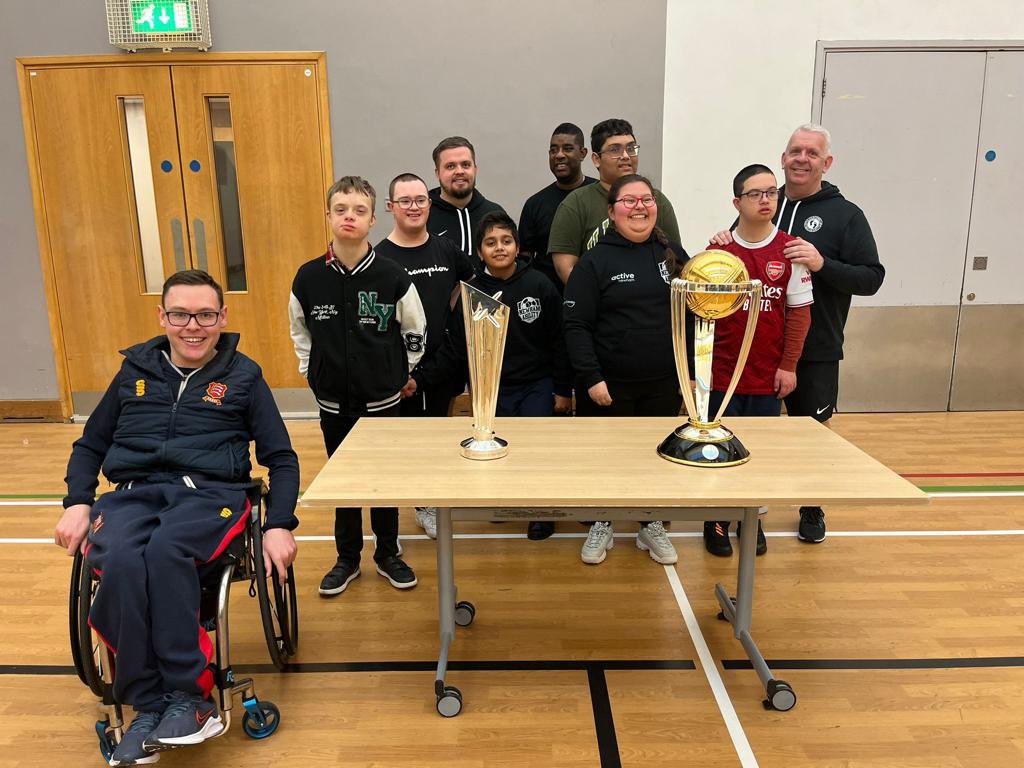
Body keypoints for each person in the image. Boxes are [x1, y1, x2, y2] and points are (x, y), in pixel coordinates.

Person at [54, 269, 299, 766]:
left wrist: (278, 524)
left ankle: (190, 698)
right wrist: (78, 501)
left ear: (222, 317)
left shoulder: (243, 375)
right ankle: (147, 705)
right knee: (119, 560)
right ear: (162, 317)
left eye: (205, 314)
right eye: (181, 314)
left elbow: (281, 458)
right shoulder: (133, 373)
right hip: (133, 494)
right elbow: (91, 445)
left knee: (166, 553)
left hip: (212, 496)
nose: (194, 326)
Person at [712, 124, 884, 543]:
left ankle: (812, 507)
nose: (801, 159)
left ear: (827, 162)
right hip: (756, 352)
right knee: (750, 436)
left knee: (812, 434)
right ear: (783, 158)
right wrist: (722, 238)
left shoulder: (847, 215)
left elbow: (872, 278)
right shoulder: (765, 202)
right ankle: (739, 512)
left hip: (816, 346)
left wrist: (823, 263)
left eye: (811, 152)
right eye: (794, 151)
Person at [289, 176, 426, 596]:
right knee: (342, 483)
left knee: (384, 480)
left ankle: (388, 553)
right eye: (341, 209)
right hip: (334, 403)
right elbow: (300, 332)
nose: (350, 216)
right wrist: (312, 373)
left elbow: (415, 330)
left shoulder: (392, 275)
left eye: (359, 210)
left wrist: (400, 372)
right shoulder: (309, 278)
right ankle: (346, 558)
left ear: (372, 218)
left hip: (384, 401)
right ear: (328, 216)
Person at [421, 211, 572, 540]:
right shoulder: (472, 293)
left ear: (518, 247)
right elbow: (458, 348)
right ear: (479, 252)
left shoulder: (540, 285)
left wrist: (562, 389)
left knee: (536, 448)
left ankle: (541, 512)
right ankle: (504, 503)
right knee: (499, 448)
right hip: (492, 388)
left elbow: (560, 340)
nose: (499, 248)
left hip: (537, 383)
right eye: (491, 243)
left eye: (506, 241)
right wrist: (422, 380)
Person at [563, 174, 690, 565]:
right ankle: (602, 521)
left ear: (656, 206)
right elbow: (575, 325)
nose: (639, 207)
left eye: (646, 200)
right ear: (612, 212)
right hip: (609, 385)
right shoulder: (595, 262)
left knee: (654, 458)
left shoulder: (674, 257)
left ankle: (649, 523)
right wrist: (591, 378)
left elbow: (695, 317)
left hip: (664, 384)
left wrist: (689, 381)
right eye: (629, 201)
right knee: (605, 459)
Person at [702, 164, 814, 558]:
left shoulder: (790, 251)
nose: (766, 199)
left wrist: (789, 365)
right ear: (737, 202)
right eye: (756, 193)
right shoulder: (718, 252)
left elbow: (799, 314)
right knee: (718, 449)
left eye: (771, 192)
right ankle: (716, 520)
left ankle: (753, 520)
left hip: (768, 375)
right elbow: (702, 316)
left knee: (759, 454)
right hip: (721, 376)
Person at [375, 172, 476, 539]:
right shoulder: (379, 258)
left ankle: (437, 496)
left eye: (420, 200)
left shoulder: (447, 250)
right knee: (410, 440)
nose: (414, 207)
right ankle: (422, 503)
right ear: (390, 207)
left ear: (430, 204)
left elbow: (472, 281)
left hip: (444, 364)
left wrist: (453, 315)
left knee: (439, 435)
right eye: (405, 201)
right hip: (402, 374)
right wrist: (397, 372)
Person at [549, 118, 681, 286]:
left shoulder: (657, 200)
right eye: (615, 149)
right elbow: (566, 268)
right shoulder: (576, 204)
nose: (626, 156)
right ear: (596, 159)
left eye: (631, 148)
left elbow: (676, 259)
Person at [518, 123, 597, 290]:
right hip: (549, 302)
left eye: (567, 148)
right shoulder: (535, 204)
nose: (559, 155)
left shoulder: (600, 195)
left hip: (595, 295)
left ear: (582, 153)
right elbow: (525, 258)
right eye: (553, 150)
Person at [427, 136, 505, 257]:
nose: (459, 171)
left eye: (466, 165)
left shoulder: (495, 214)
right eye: (450, 166)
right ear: (437, 173)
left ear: (475, 169)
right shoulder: (423, 216)